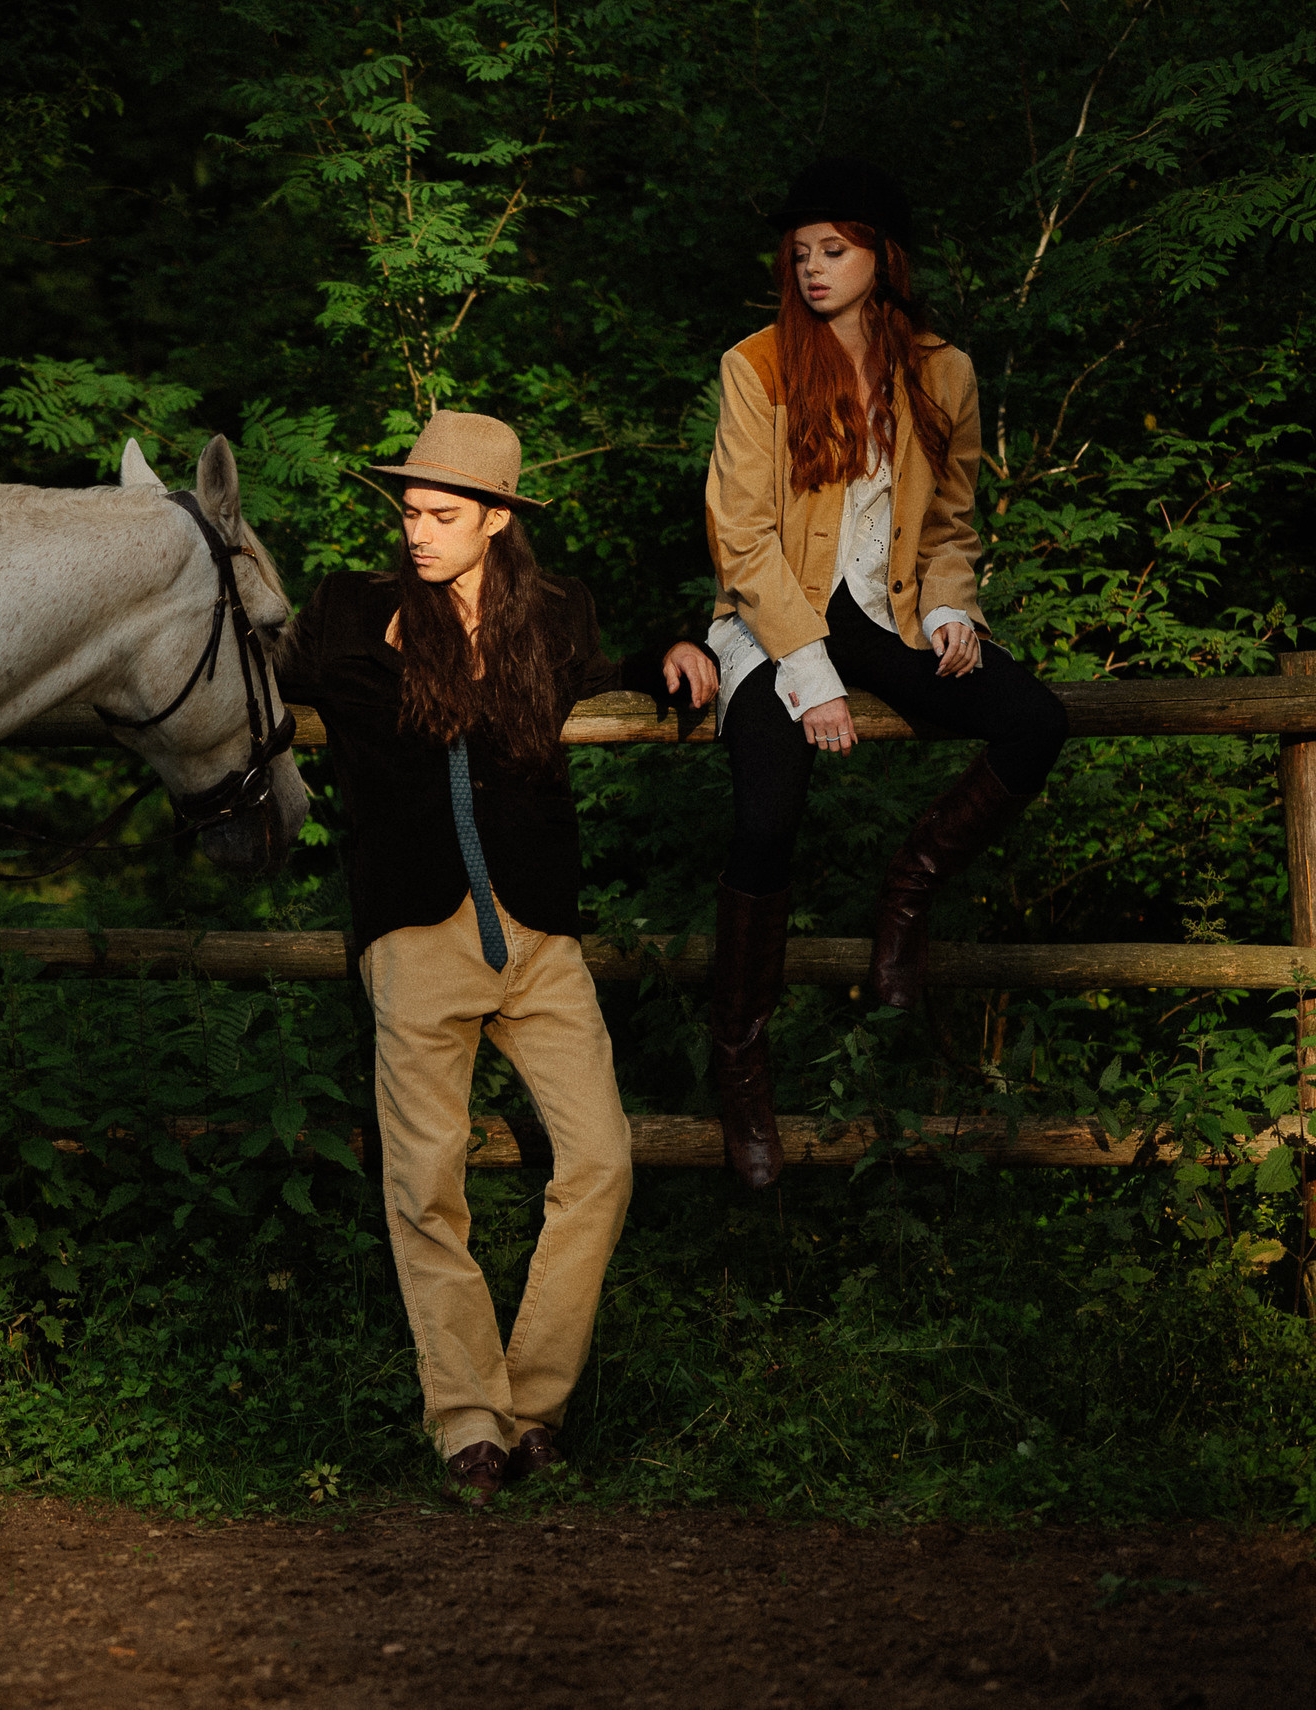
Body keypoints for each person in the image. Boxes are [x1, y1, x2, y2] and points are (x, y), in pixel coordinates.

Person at [275, 409, 718, 1507]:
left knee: (601, 1159)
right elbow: (253, 675)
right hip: (414, 936)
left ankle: (534, 1406)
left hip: (537, 934)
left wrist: (672, 649)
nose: (416, 532)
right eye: (409, 512)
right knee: (427, 1182)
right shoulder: (351, 611)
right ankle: (469, 1419)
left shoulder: (553, 613)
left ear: (495, 521)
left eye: (440, 516)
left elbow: (610, 668)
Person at [703, 159, 1069, 1190]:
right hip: (774, 618)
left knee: (1034, 720)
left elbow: (948, 523)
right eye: (800, 254)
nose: (813, 268)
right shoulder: (758, 365)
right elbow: (740, 537)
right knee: (767, 815)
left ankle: (906, 892)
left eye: (835, 249)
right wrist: (808, 674)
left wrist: (951, 609)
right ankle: (739, 1064)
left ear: (883, 258)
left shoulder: (943, 372)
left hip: (887, 610)